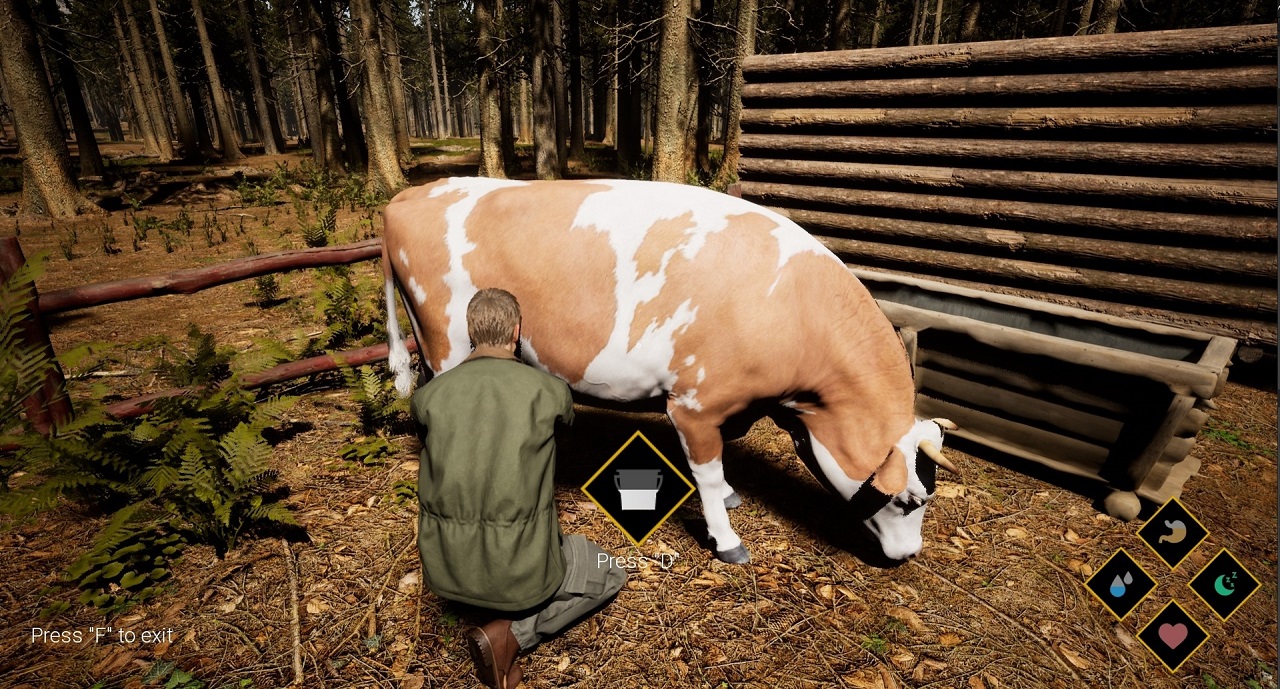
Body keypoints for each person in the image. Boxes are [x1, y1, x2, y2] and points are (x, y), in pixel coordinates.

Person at [411, 288, 627, 689]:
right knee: (609, 569)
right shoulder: (549, 391)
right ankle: (508, 634)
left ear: (471, 333)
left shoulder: (428, 396)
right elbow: (565, 430)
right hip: (523, 574)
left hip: (446, 571)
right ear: (516, 332)